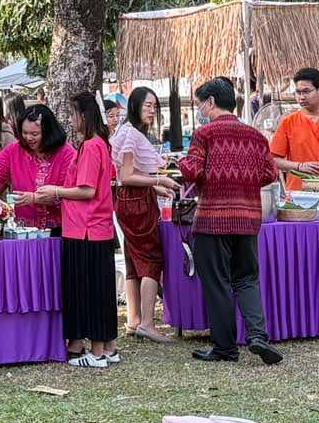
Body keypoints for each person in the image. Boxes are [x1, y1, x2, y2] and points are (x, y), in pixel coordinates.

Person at [176, 78, 283, 366]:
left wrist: (180, 163)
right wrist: (243, 182)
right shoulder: (255, 136)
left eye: (200, 104)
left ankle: (225, 347)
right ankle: (258, 335)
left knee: (218, 283)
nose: (200, 110)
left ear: (211, 102)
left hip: (212, 219)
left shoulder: (205, 134)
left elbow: (192, 171)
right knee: (247, 279)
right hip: (248, 219)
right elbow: (270, 173)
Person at [38, 94, 119, 369]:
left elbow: (87, 190)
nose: (70, 120)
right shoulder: (99, 144)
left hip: (85, 228)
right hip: (95, 227)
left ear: (83, 116)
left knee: (91, 292)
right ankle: (108, 347)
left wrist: (56, 191)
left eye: (72, 114)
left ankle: (96, 352)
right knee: (102, 290)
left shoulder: (91, 146)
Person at [113, 86, 181, 343]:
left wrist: (156, 185)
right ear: (135, 106)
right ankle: (148, 323)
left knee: (133, 260)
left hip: (129, 200)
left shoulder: (128, 131)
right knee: (152, 259)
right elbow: (127, 176)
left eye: (154, 106)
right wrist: (158, 180)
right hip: (136, 203)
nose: (152, 111)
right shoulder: (131, 134)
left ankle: (134, 319)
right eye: (147, 106)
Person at [0, 103, 77, 231]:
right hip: (24, 229)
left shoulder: (66, 153)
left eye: (34, 134)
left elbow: (69, 192)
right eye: (25, 133)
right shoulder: (14, 149)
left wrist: (34, 198)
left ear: (48, 132)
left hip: (59, 229)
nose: (28, 138)